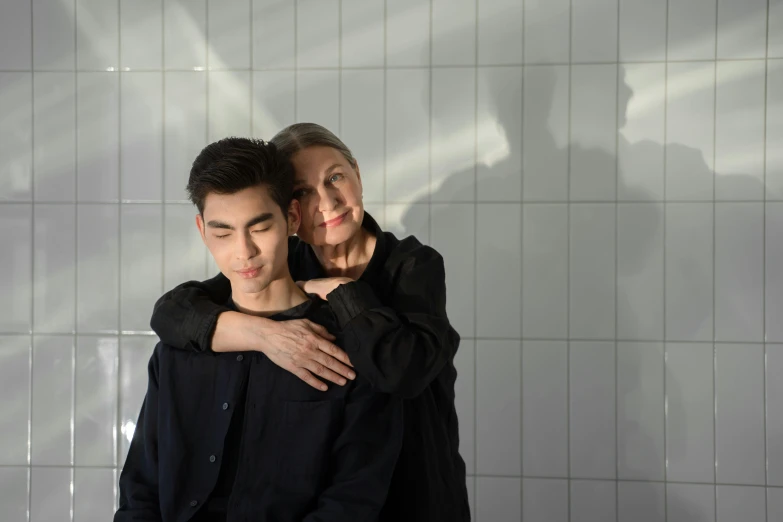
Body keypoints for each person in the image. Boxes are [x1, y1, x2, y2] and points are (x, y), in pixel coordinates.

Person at [150, 123, 470, 521]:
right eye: (303, 190)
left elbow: (401, 372)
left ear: (357, 172)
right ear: (291, 210)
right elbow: (172, 312)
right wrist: (265, 335)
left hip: (416, 490)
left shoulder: (412, 266)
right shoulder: (284, 262)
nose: (328, 202)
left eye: (335, 177)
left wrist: (341, 290)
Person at [115, 137, 403, 522]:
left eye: (260, 227)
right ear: (202, 230)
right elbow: (140, 490)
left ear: (293, 218)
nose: (243, 251)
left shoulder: (350, 343)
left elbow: (353, 500)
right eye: (223, 233)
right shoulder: (177, 351)